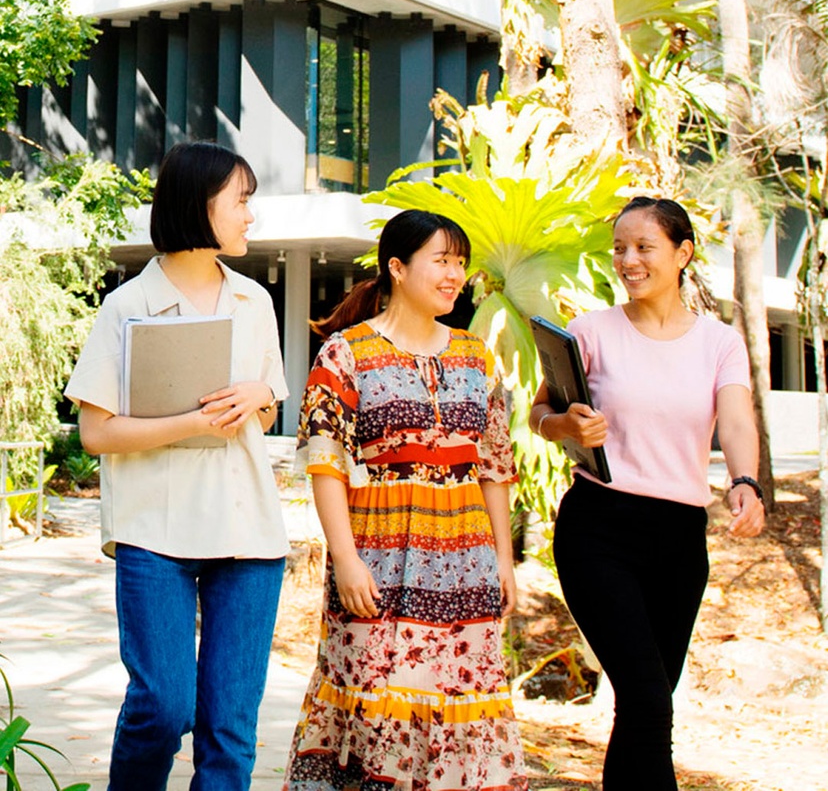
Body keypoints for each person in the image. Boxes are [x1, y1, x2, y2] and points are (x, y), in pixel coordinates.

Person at [64, 141, 290, 791]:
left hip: (247, 537)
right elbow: (97, 433)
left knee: (228, 731)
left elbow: (267, 410)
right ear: (199, 207)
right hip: (153, 535)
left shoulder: (255, 303)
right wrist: (190, 423)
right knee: (162, 707)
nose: (252, 217)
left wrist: (259, 395)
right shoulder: (126, 306)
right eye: (241, 202)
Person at [282, 209, 528, 791]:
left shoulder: (474, 356)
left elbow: (492, 465)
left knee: (459, 700)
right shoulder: (345, 354)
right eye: (441, 260)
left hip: (465, 565)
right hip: (378, 563)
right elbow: (326, 462)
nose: (455, 274)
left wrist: (504, 559)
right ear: (397, 267)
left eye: (460, 262)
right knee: (372, 706)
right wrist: (344, 559)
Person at [530, 196, 766, 791]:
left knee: (644, 703)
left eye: (643, 248)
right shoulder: (589, 331)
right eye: (620, 249)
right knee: (648, 697)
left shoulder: (719, 342)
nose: (628, 260)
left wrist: (746, 482)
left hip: (680, 539)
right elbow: (542, 413)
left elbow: (735, 421)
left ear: (682, 254)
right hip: (599, 529)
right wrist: (566, 427)